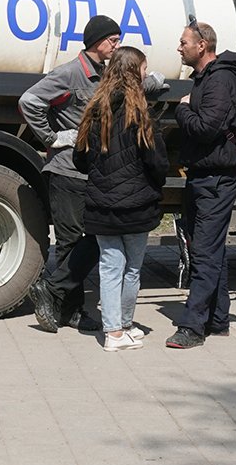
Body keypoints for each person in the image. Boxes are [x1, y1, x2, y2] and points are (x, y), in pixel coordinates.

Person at [18, 14, 131, 333]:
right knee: (70, 241)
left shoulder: (104, 74)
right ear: (97, 42)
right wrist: (52, 137)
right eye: (113, 40)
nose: (117, 44)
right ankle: (70, 309)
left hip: (92, 172)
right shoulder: (70, 73)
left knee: (91, 238)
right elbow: (30, 100)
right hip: (67, 171)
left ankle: (57, 297)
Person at [72, 46, 170, 352]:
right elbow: (157, 162)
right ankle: (122, 326)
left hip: (102, 204)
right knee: (132, 268)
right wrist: (154, 185)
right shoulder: (141, 114)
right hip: (138, 205)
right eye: (143, 69)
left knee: (110, 266)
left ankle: (115, 330)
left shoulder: (94, 110)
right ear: (133, 73)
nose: (145, 73)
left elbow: (79, 159)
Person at [167, 21, 236, 350]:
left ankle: (192, 326)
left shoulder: (219, 80)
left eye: (184, 42)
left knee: (203, 252)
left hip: (217, 178)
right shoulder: (205, 79)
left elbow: (205, 129)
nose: (179, 47)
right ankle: (218, 319)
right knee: (211, 249)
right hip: (204, 174)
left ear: (202, 46)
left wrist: (183, 109)